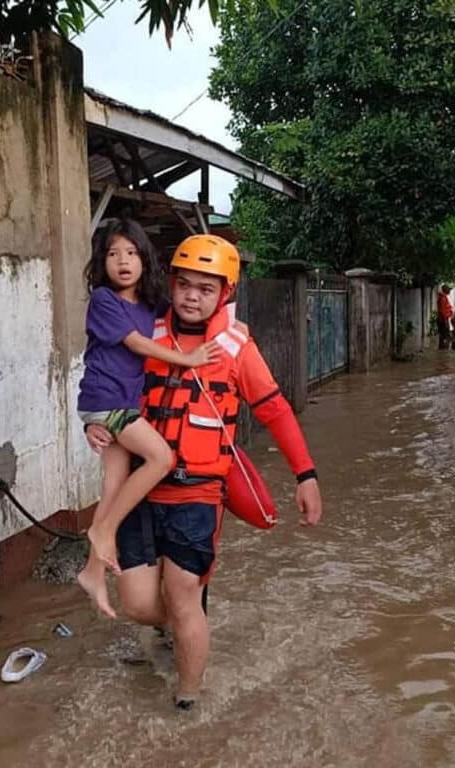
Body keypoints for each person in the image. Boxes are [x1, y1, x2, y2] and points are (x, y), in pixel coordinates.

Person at [85, 234, 324, 709]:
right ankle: (181, 620)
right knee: (136, 604)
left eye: (206, 289)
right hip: (141, 491)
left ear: (225, 294)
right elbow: (105, 380)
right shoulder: (145, 331)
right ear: (170, 285)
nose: (193, 296)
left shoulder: (236, 347)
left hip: (197, 495)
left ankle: (188, 701)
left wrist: (306, 474)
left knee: (183, 593)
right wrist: (95, 424)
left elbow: (274, 410)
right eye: (185, 285)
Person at [75, 219, 222, 619]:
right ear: (101, 262)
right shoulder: (105, 301)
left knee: (114, 484)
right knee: (161, 458)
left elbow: (189, 305)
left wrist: (232, 323)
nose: (122, 261)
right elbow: (137, 344)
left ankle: (91, 571)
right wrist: (189, 359)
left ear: (144, 260)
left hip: (117, 407)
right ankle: (103, 532)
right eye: (112, 253)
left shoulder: (150, 304)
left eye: (131, 252)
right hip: (109, 402)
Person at [436, 285, 453, 350]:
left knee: (443, 335)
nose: (450, 291)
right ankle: (444, 348)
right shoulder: (443, 298)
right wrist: (446, 321)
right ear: (445, 290)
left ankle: (442, 348)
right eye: (449, 289)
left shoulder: (443, 297)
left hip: (442, 319)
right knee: (446, 335)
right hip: (443, 320)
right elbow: (442, 311)